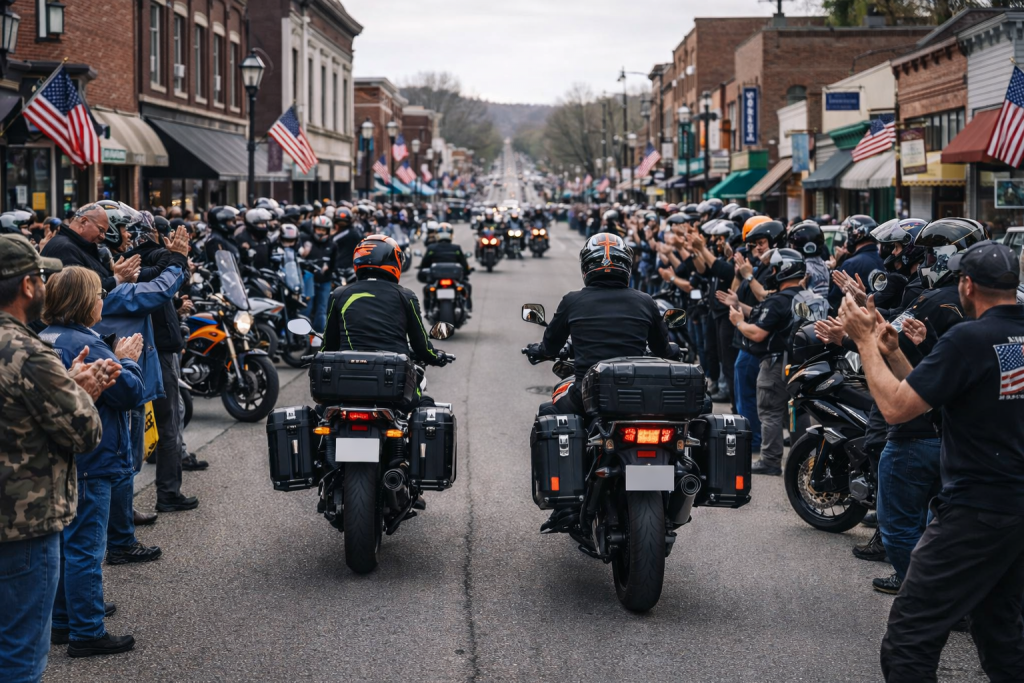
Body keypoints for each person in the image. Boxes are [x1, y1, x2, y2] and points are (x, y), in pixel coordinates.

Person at [837, 240, 1024, 682]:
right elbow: (941, 399)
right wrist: (895, 352)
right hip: (1012, 508)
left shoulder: (970, 338)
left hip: (978, 507)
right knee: (1000, 633)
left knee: (910, 638)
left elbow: (895, 409)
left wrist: (864, 342)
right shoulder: (998, 337)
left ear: (967, 285)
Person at [0, 236, 107, 681]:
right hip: (21, 522)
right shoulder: (25, 352)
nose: (46, 285)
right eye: (41, 277)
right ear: (27, 286)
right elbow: (84, 432)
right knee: (20, 656)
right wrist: (82, 390)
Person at [40, 267, 145, 658]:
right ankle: (87, 630)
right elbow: (129, 393)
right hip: (92, 457)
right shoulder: (88, 343)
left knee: (65, 544)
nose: (103, 300)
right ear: (85, 301)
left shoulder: (44, 337)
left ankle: (64, 620)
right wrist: (127, 360)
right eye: (99, 294)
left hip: (60, 457)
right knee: (86, 547)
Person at [526, 233, 675, 417]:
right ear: (627, 266)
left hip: (586, 394)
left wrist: (539, 351)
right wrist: (673, 350)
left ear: (586, 267)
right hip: (634, 394)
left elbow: (550, 347)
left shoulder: (572, 301)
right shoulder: (646, 301)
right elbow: (662, 350)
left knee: (547, 412)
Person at [322, 234, 452, 406]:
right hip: (394, 383)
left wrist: (316, 357)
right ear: (394, 261)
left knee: (322, 411)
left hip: (346, 382)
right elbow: (420, 345)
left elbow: (329, 344)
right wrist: (436, 357)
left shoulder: (339, 294)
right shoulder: (405, 296)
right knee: (425, 404)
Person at [729, 248, 808, 475]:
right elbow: (765, 315)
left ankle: (770, 461)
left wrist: (738, 322)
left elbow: (757, 333)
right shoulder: (811, 298)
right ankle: (804, 459)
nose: (772, 273)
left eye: (774, 269)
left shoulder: (779, 300)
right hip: (805, 364)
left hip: (777, 364)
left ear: (784, 270)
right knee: (796, 412)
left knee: (770, 411)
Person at [41, 202, 141, 292]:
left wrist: (114, 274)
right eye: (101, 230)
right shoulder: (65, 248)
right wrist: (117, 278)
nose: (102, 236)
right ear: (84, 222)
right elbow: (83, 291)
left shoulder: (77, 246)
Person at [417, 223, 473, 311]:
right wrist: (467, 271)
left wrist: (422, 269)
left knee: (426, 289)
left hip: (437, 278)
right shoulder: (456, 248)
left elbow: (424, 264)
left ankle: (427, 310)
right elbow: (464, 264)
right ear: (451, 235)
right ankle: (468, 307)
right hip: (452, 278)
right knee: (467, 286)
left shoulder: (431, 248)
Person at [304, 216, 336, 333]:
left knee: (322, 309)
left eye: (323, 230)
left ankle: (319, 335)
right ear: (314, 229)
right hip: (308, 280)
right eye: (318, 229)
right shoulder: (306, 242)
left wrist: (329, 271)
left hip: (325, 281)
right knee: (307, 307)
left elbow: (334, 264)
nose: (321, 232)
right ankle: (303, 333)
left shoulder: (332, 245)